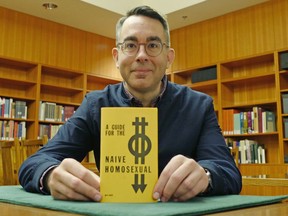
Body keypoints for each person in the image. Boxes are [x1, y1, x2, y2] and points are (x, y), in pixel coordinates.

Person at [19, 5, 242, 202]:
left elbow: (229, 173)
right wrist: (49, 176)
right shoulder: (96, 104)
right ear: (117, 57)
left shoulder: (199, 105)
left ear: (169, 57)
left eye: (153, 45)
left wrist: (206, 176)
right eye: (131, 45)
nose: (142, 55)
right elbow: (35, 162)